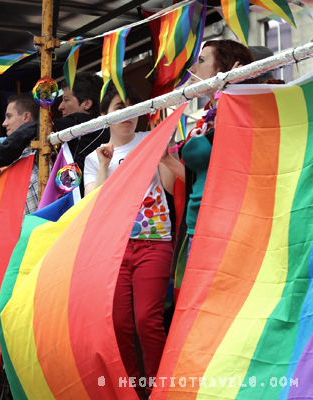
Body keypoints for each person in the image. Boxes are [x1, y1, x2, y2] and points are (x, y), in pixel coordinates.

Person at [83, 83, 173, 398]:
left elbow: (173, 187)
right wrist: (105, 165)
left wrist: (165, 157)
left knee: (147, 320)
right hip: (113, 249)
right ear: (104, 115)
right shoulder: (94, 159)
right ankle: (134, 390)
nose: (129, 114)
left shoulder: (152, 140)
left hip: (155, 242)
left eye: (135, 107)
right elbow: (92, 207)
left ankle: (162, 390)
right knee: (119, 325)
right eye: (120, 106)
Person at [164, 40, 255, 281]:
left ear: (223, 69)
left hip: (227, 226)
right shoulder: (209, 117)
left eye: (202, 60)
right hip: (196, 226)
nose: (192, 69)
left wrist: (230, 92)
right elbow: (201, 180)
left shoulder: (245, 110)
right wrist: (167, 158)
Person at [0, 71, 108, 195]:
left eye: (66, 100)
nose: (60, 106)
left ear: (87, 104)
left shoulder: (79, 121)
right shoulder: (109, 127)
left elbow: (30, 130)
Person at [0, 94, 40, 214]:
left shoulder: (44, 145)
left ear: (26, 116)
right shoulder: (12, 150)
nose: (4, 123)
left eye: (9, 116)